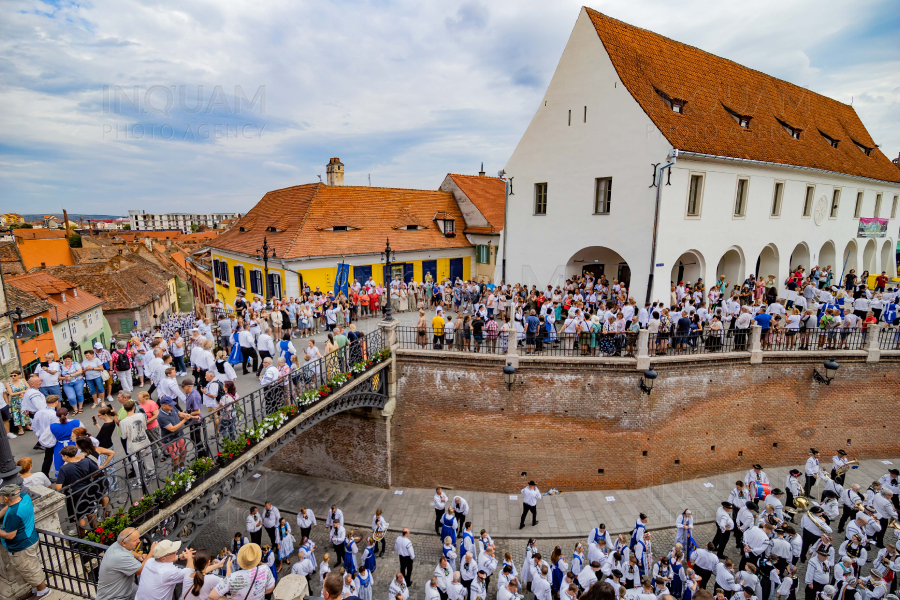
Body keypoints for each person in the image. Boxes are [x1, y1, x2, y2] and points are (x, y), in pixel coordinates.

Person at [0, 483, 49, 597]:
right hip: (30, 538)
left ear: (6, 498)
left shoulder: (14, 514)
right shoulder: (23, 497)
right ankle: (37, 589)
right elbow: (9, 506)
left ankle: (43, 591)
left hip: (22, 546)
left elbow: (10, 535)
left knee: (30, 569)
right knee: (30, 567)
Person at [96, 527, 154, 600]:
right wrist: (151, 551)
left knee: (148, 596)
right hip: (114, 597)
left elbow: (129, 551)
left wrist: (138, 556)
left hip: (127, 589)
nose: (139, 541)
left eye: (138, 538)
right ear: (124, 543)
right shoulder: (121, 556)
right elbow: (141, 570)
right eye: (135, 540)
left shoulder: (117, 545)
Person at [4, 370, 29, 437]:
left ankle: (27, 425)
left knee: (25, 412)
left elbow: (28, 387)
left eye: (14, 375)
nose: (13, 377)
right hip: (15, 401)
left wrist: (23, 392)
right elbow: (11, 393)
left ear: (18, 375)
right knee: (16, 414)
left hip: (23, 399)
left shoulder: (23, 380)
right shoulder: (8, 383)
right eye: (11, 376)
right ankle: (20, 428)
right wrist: (21, 392)